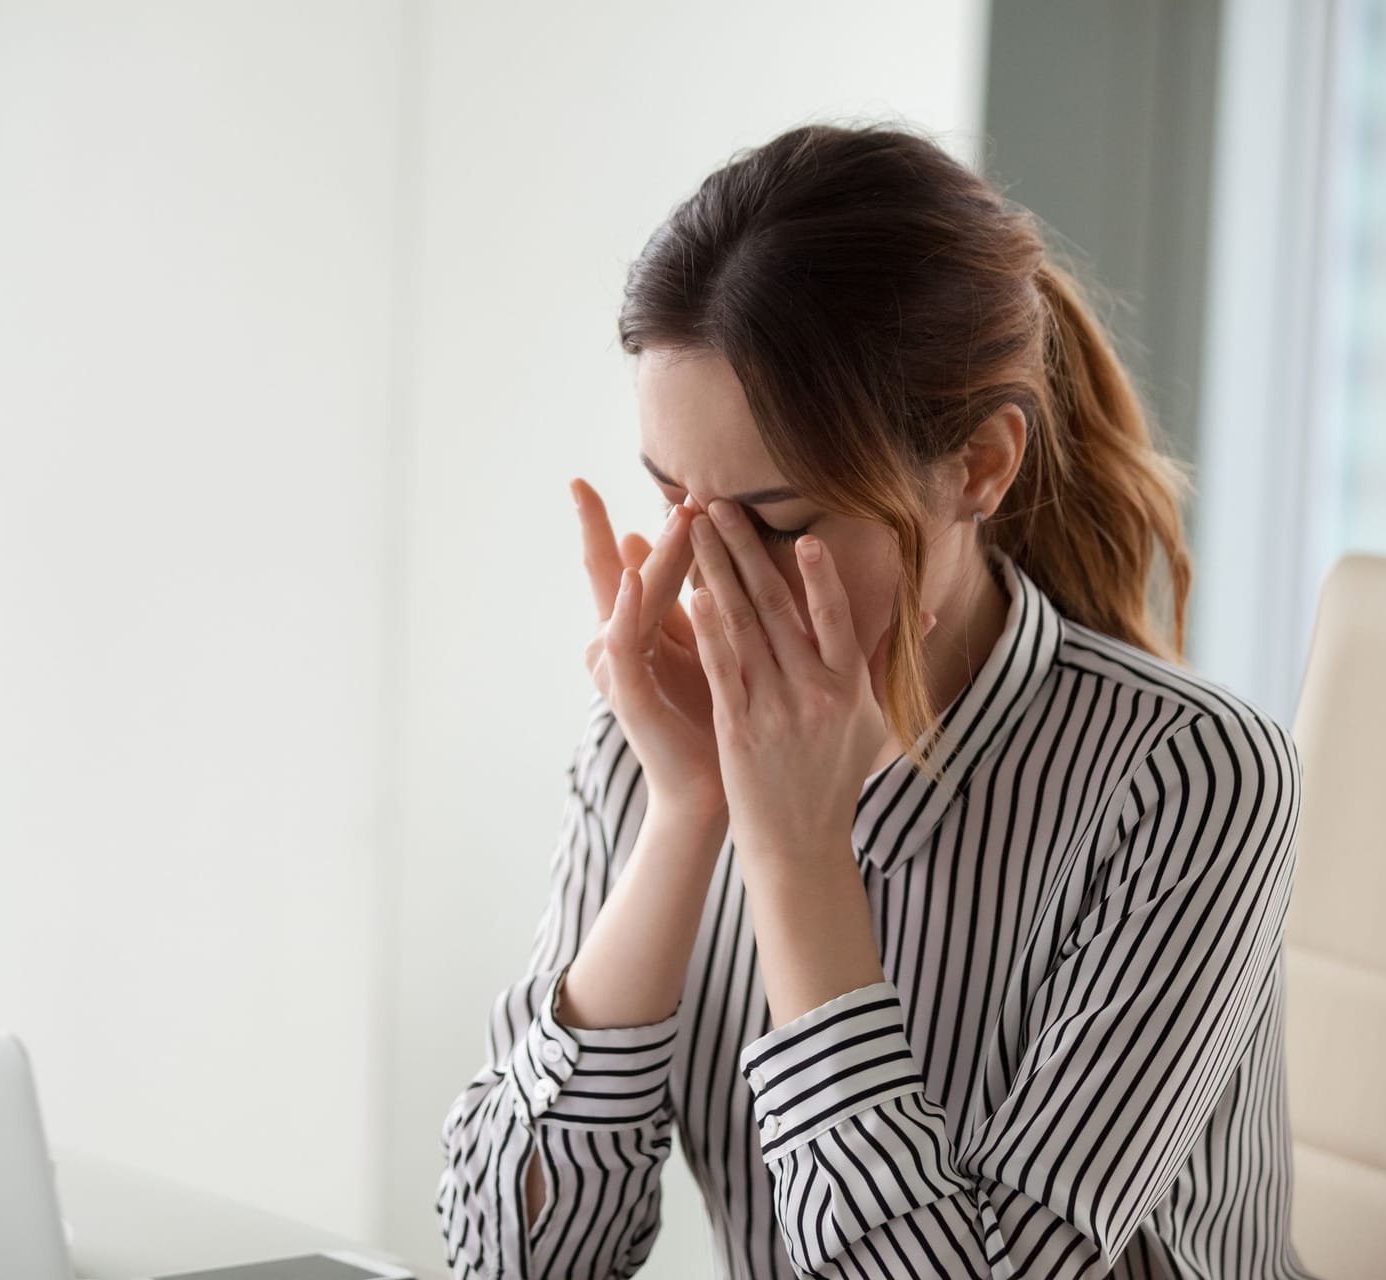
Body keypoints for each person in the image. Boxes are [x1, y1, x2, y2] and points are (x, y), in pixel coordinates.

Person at [433, 121, 1317, 1280]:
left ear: (980, 465)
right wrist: (690, 809)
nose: (706, 578)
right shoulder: (659, 737)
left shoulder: (1190, 778)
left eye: (782, 521)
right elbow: (510, 1261)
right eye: (675, 502)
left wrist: (800, 862)